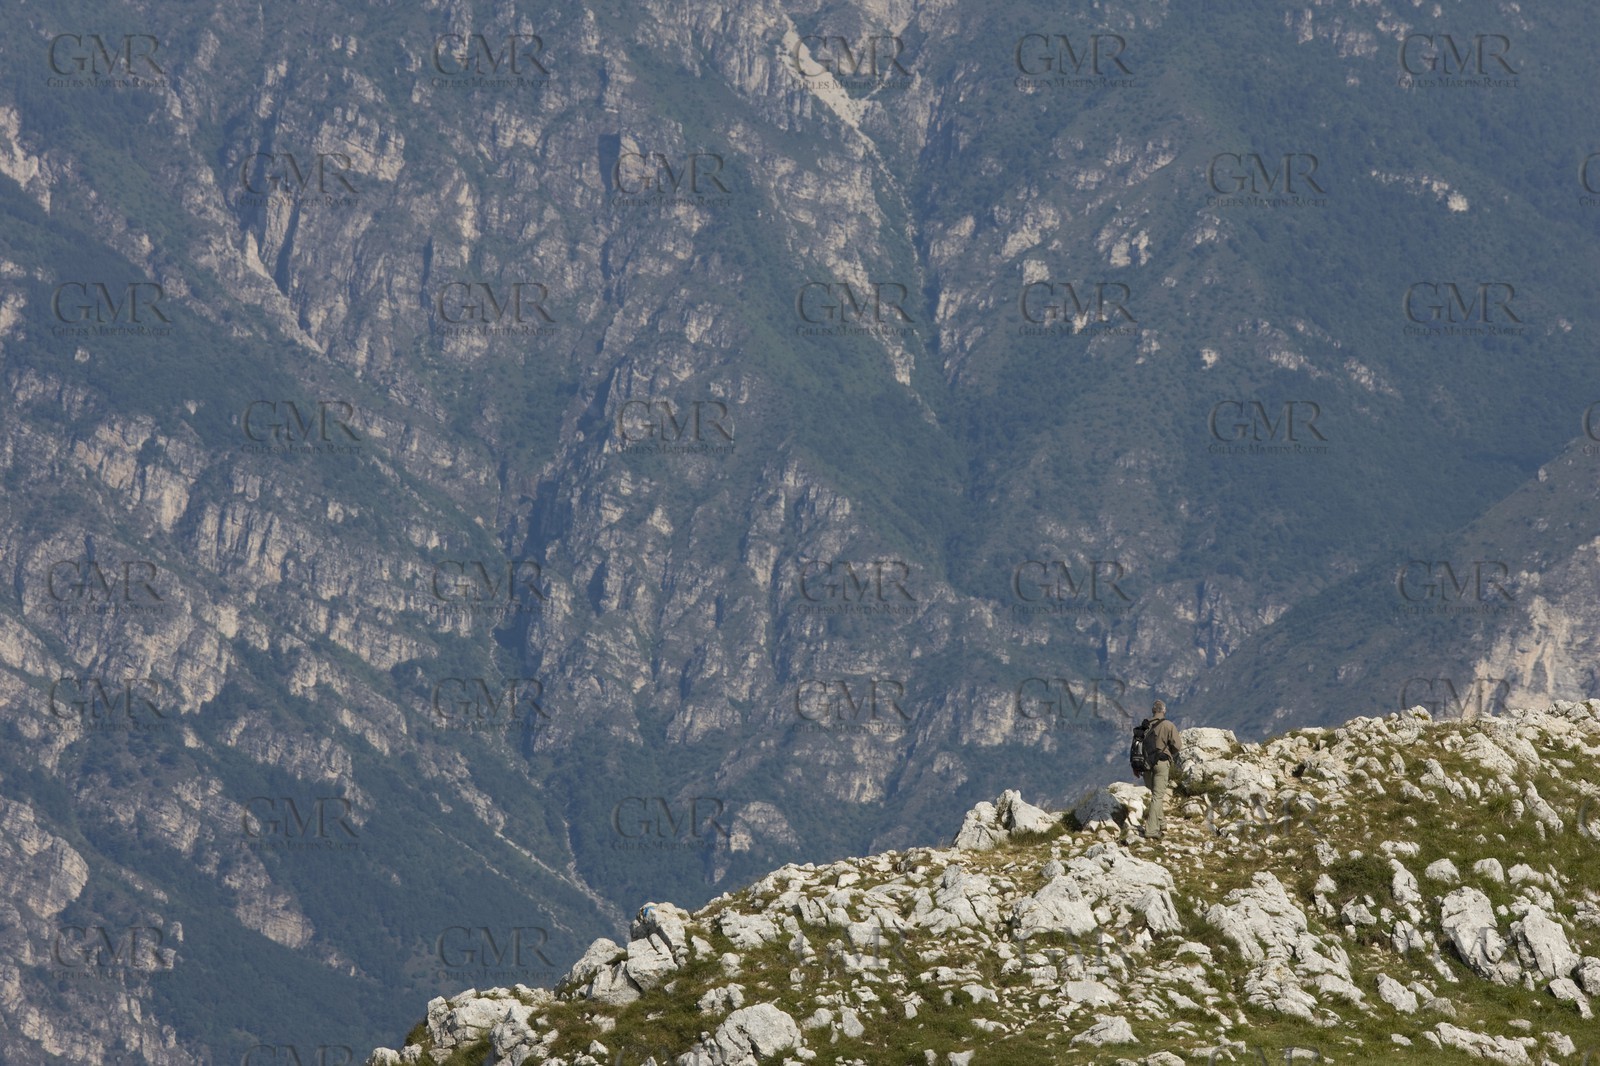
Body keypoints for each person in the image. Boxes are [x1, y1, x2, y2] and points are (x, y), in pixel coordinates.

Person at [1139, 699, 1181, 840]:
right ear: (1164, 711)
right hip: (1161, 763)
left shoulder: (1144, 726)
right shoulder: (1168, 725)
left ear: (1153, 711)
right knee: (1157, 796)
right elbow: (1177, 746)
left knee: (1155, 794)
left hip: (1146, 765)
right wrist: (1168, 751)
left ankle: (1162, 823)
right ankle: (1151, 830)